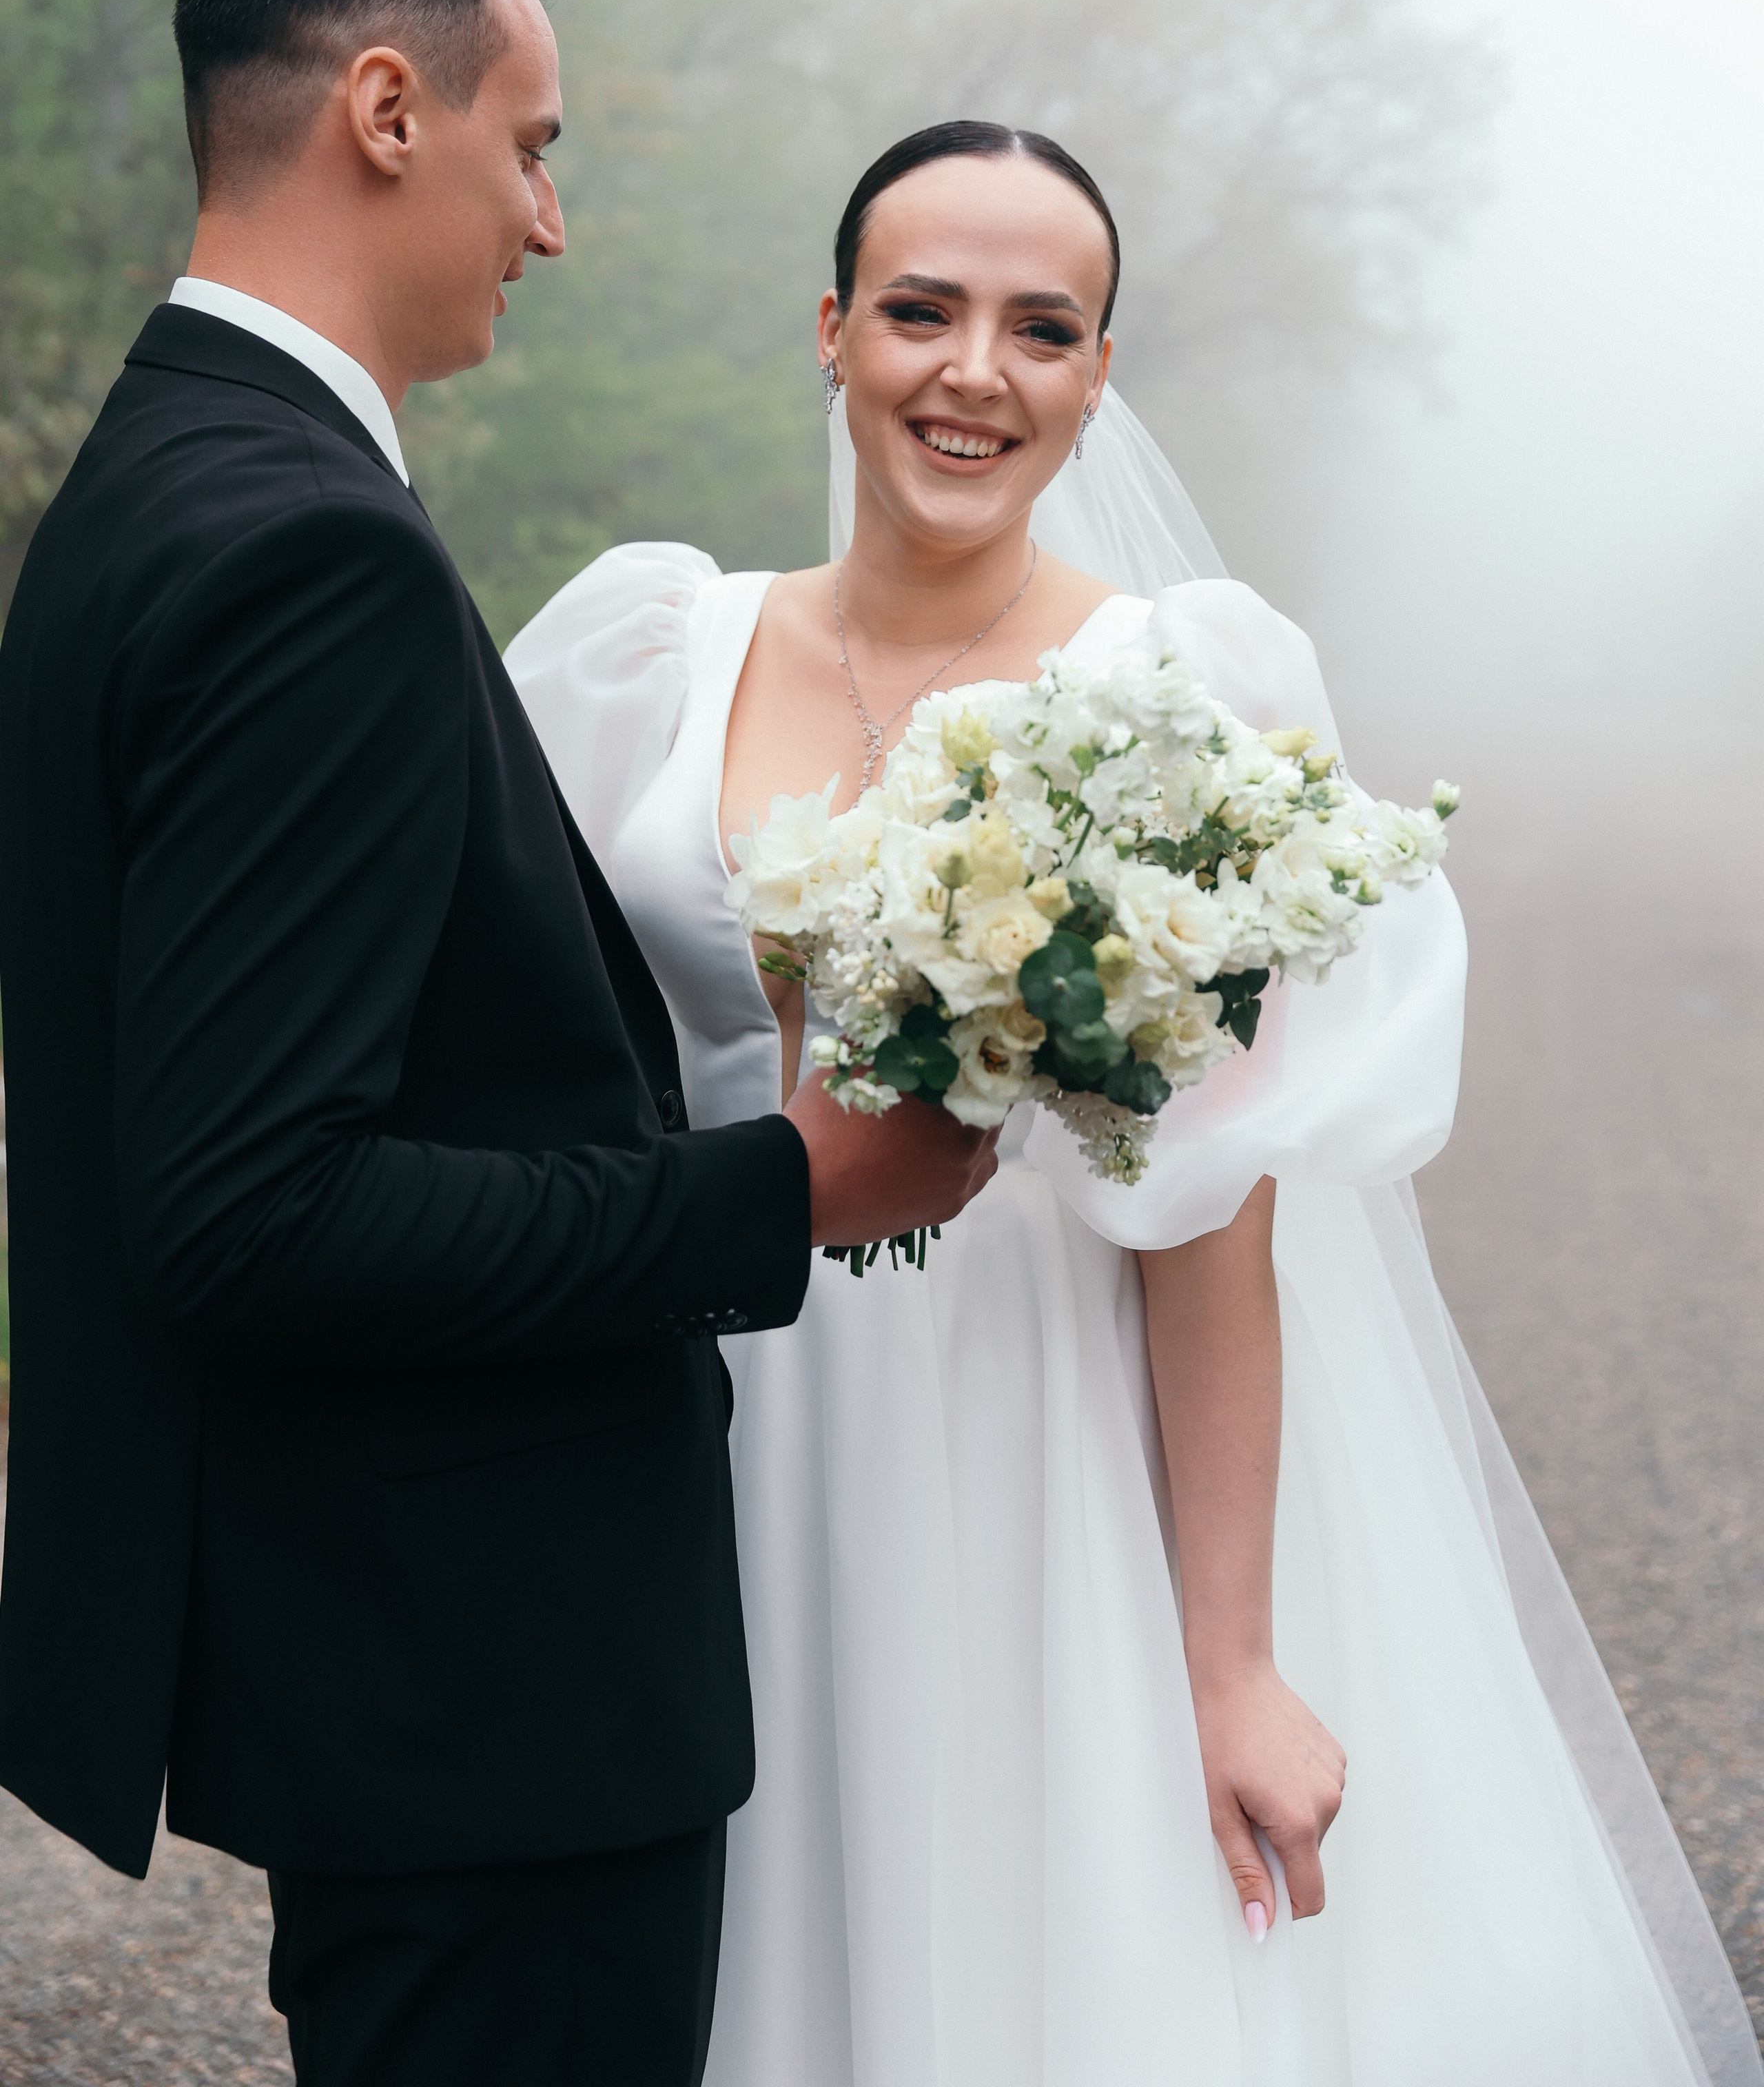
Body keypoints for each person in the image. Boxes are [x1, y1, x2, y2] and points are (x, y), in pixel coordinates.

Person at [510, 121, 1763, 2086]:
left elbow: (1210, 1217)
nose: (974, 372)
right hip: (713, 1429)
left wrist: (1231, 1660)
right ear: (832, 332)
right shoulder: (648, 655)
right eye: (920, 311)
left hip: (1038, 1433)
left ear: (1099, 375)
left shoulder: (1180, 693)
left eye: (1042, 329)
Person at [0, 0, 997, 2087]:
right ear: (385, 110)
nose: (551, 222)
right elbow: (256, 1208)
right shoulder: (307, 552)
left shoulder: (153, 479)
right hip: (491, 1699)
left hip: (392, 1669)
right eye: (531, 148)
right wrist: (786, 1189)